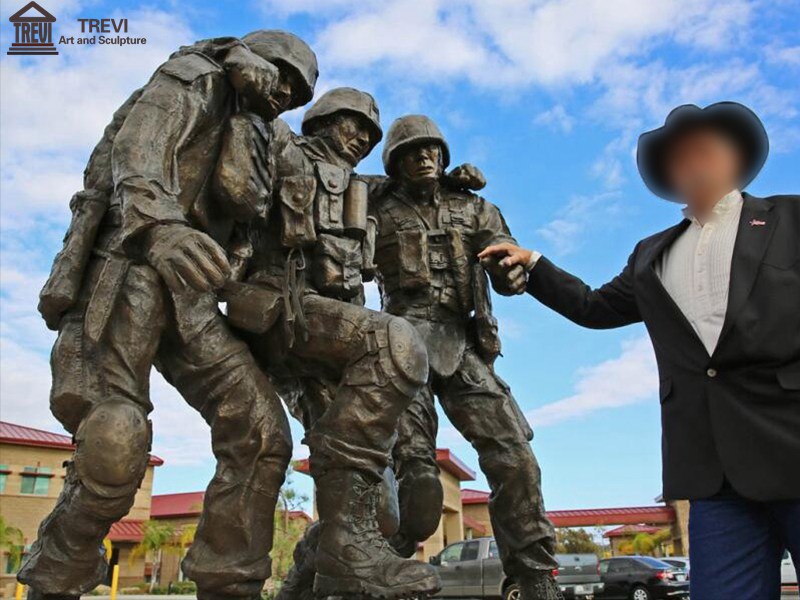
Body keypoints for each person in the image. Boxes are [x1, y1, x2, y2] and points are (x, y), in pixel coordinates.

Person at [20, 31, 319, 600]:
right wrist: (160, 226)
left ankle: (228, 583)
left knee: (259, 433)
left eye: (297, 91)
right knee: (114, 440)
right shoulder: (198, 77)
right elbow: (138, 150)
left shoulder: (266, 137)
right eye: (281, 76)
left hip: (196, 294)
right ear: (255, 59)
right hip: (126, 266)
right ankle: (53, 581)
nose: (285, 93)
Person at [479, 101, 800, 599]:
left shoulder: (791, 219)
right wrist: (534, 264)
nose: (693, 163)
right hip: (713, 473)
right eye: (680, 157)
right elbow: (593, 307)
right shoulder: (651, 254)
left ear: (735, 160)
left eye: (705, 151)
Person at [214, 87, 441, 599]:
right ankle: (342, 541)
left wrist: (452, 179)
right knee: (395, 343)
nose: (361, 138)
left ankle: (308, 577)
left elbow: (418, 186)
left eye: (369, 133)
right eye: (352, 124)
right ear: (320, 120)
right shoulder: (284, 148)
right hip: (284, 312)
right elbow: (247, 127)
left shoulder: (364, 187)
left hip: (335, 338)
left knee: (377, 515)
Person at [370, 115, 561, 600]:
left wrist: (509, 273)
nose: (424, 157)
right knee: (415, 476)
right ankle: (385, 574)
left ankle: (534, 576)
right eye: (411, 151)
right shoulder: (374, 204)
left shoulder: (475, 209)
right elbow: (332, 183)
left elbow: (504, 262)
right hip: (400, 342)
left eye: (432, 149)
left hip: (461, 344)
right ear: (394, 162)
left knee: (516, 458)